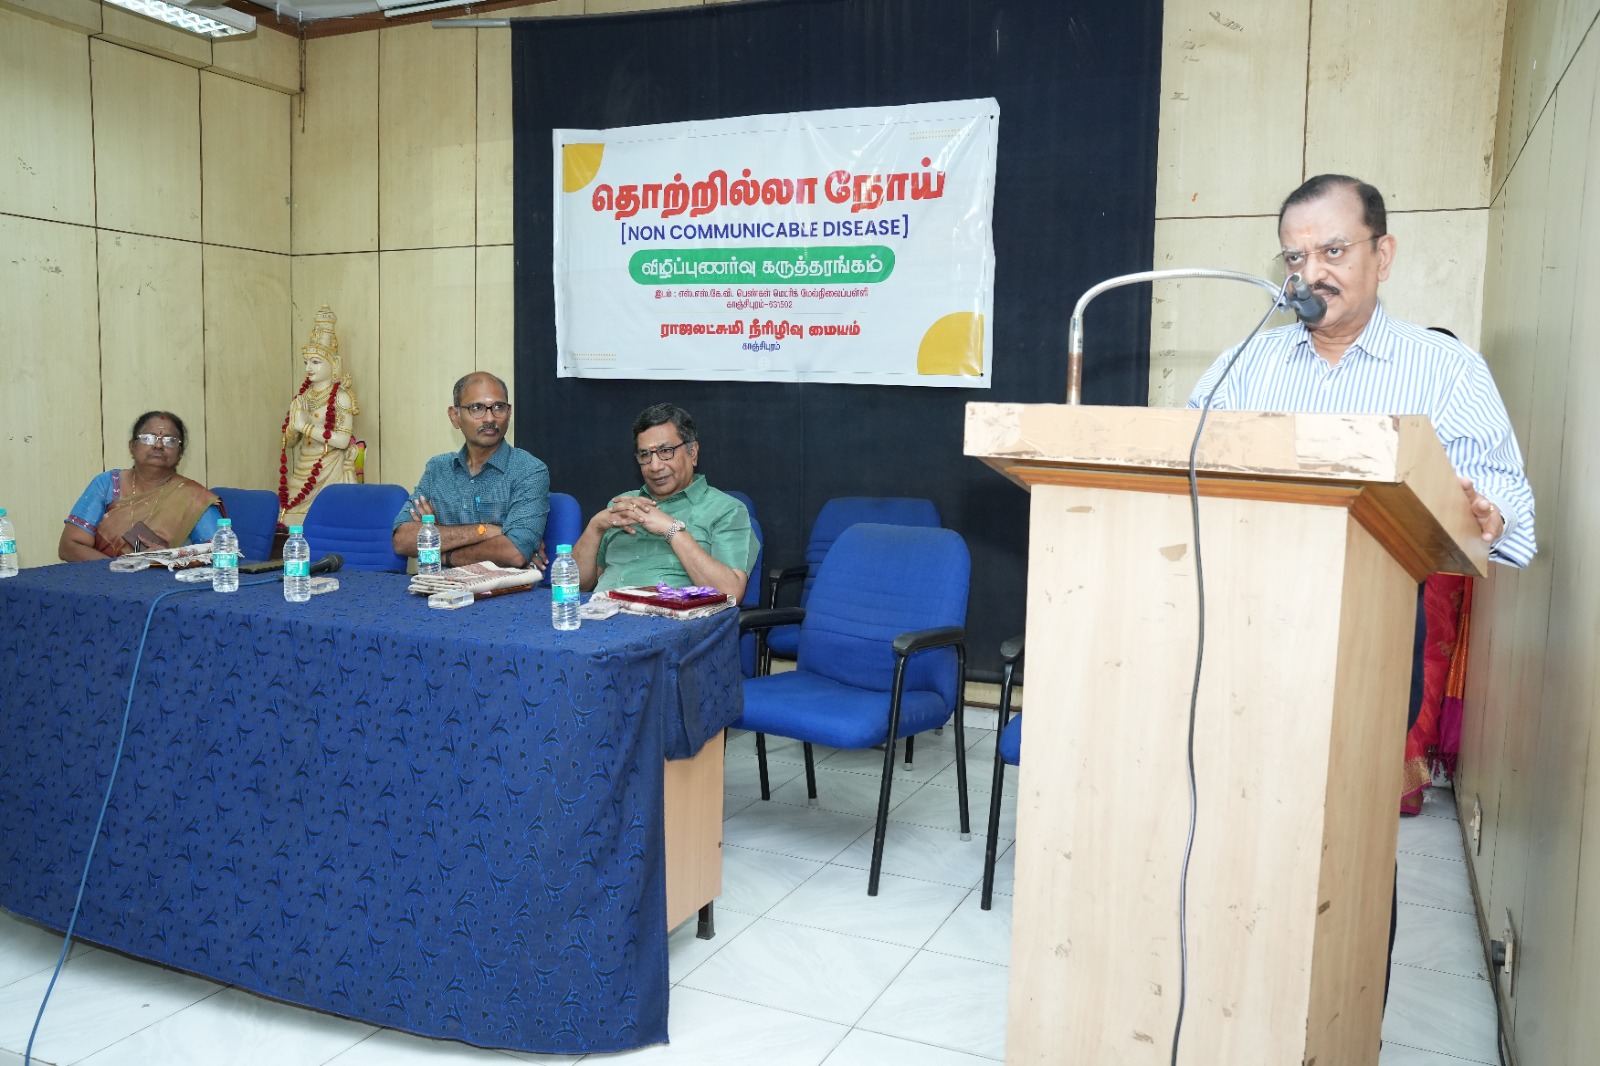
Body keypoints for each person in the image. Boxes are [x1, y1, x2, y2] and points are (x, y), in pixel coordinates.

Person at [1186, 174, 1537, 1016]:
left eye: (1333, 250)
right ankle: (1234, 1010)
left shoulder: (1445, 370)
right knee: (1236, 835)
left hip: (1372, 644)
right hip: (1238, 631)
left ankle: (1340, 1020)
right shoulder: (1242, 363)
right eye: (1297, 256)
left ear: (1383, 254)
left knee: (1343, 851)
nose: (1312, 272)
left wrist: (1480, 513)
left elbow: (1511, 518)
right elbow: (1181, 465)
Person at [573, 403, 758, 600]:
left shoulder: (726, 510)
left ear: (693, 452)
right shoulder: (623, 505)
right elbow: (578, 586)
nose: (654, 466)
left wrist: (672, 530)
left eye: (666, 451)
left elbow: (730, 594)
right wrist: (595, 528)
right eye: (645, 455)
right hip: (603, 616)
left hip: (671, 623)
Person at [390, 372, 549, 568]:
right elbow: (402, 540)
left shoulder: (529, 470)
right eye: (477, 408)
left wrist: (441, 549)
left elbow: (514, 552)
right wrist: (486, 531)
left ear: (509, 412)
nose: (490, 417)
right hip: (443, 590)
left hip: (505, 592)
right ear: (455, 416)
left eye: (498, 407)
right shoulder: (438, 469)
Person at [59, 411, 222, 560]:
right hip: (103, 581)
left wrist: (172, 557)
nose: (158, 445)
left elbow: (222, 554)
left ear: (180, 454)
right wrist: (122, 570)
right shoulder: (107, 484)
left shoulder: (193, 498)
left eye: (170, 440)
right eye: (148, 438)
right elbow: (70, 546)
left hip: (164, 585)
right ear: (132, 447)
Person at [280, 305, 361, 527]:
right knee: (289, 522)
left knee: (328, 522)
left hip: (330, 469)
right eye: (306, 362)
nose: (308, 367)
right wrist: (292, 429)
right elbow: (292, 441)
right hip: (303, 469)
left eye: (315, 362)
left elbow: (342, 441)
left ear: (332, 364)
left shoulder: (341, 397)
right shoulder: (303, 397)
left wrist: (305, 426)